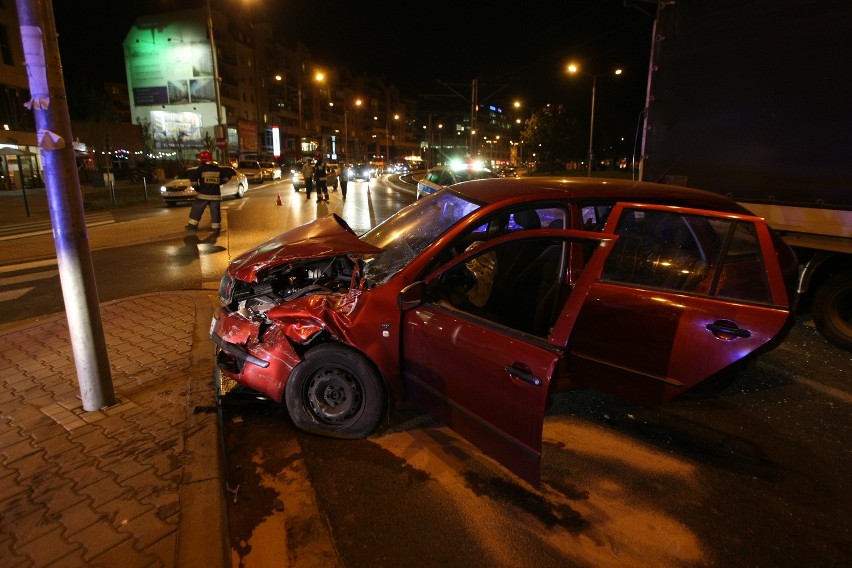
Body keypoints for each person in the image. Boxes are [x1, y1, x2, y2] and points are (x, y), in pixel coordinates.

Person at [186, 150, 232, 233]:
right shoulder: (217, 169)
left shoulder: (201, 169)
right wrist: (219, 183)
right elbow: (227, 177)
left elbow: (193, 178)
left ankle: (192, 227)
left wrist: (197, 188)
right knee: (216, 213)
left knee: (196, 210)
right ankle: (216, 228)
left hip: (203, 195)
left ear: (203, 160)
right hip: (215, 196)